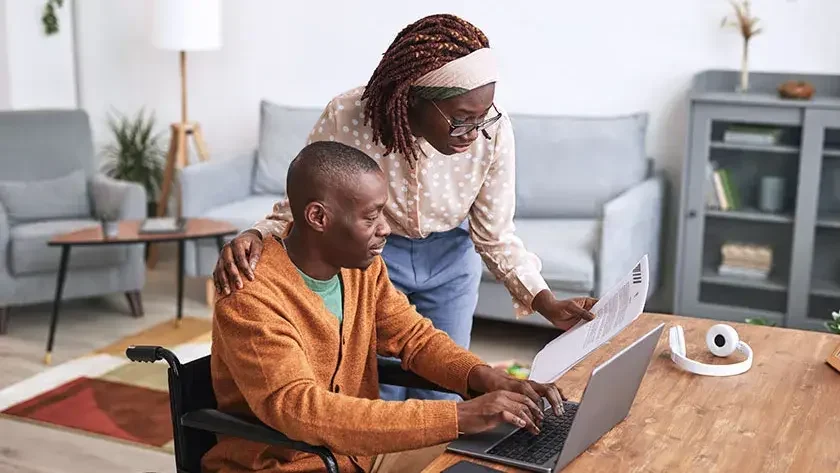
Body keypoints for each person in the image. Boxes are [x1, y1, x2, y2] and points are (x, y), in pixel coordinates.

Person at [212, 14, 597, 402]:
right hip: (373, 259)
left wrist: (544, 300)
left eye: (484, 117)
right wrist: (257, 233)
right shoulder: (349, 117)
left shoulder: (491, 132)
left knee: (447, 386)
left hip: (451, 259)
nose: (475, 132)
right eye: (462, 120)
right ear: (414, 98)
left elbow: (495, 234)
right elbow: (309, 197)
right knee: (377, 387)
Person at [203, 141, 567, 473]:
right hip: (283, 465)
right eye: (371, 216)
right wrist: (459, 415)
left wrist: (484, 377)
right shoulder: (250, 295)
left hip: (359, 458)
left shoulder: (362, 267)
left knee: (509, 460)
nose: (385, 229)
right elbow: (302, 409)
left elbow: (415, 338)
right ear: (318, 217)